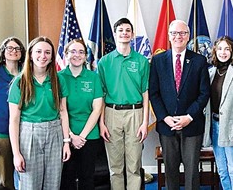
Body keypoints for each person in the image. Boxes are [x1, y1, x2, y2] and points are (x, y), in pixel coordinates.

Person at [149, 19, 210, 190]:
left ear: (188, 36)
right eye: (174, 33)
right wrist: (165, 117)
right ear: (169, 36)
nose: (178, 36)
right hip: (167, 125)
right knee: (170, 170)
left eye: (182, 33)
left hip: (192, 124)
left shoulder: (199, 60)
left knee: (192, 172)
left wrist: (189, 116)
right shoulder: (158, 60)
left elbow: (204, 93)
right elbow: (154, 93)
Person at [8, 36, 71, 190]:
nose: (43, 56)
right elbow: (14, 120)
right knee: (30, 184)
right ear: (30, 54)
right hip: (29, 134)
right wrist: (16, 154)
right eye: (39, 51)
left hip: (55, 133)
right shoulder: (19, 82)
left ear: (52, 57)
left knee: (53, 183)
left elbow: (63, 112)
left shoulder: (58, 80)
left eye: (47, 53)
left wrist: (66, 142)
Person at [98, 17, 150, 190]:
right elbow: (101, 94)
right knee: (115, 166)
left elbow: (145, 93)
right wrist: (102, 123)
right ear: (115, 34)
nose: (124, 33)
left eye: (127, 30)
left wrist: (145, 123)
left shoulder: (142, 61)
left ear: (132, 34)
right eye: (120, 30)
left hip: (135, 113)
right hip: (111, 113)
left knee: (134, 165)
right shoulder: (104, 62)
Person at [203, 36, 233, 190]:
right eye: (220, 49)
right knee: (222, 170)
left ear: (232, 51)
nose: (223, 52)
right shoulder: (211, 72)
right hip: (215, 127)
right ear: (215, 51)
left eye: (227, 49)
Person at [59, 39, 103, 190]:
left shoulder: (93, 77)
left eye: (81, 52)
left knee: (87, 178)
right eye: (73, 51)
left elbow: (97, 109)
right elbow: (59, 110)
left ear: (85, 56)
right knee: (67, 178)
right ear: (66, 54)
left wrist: (81, 136)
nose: (77, 55)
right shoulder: (58, 77)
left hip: (89, 136)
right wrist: (71, 136)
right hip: (65, 136)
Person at [0, 37, 26, 190]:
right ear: (3, 52)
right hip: (2, 133)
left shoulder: (27, 73)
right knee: (6, 178)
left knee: (24, 173)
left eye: (17, 49)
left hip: (25, 131)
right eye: (10, 48)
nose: (14, 51)